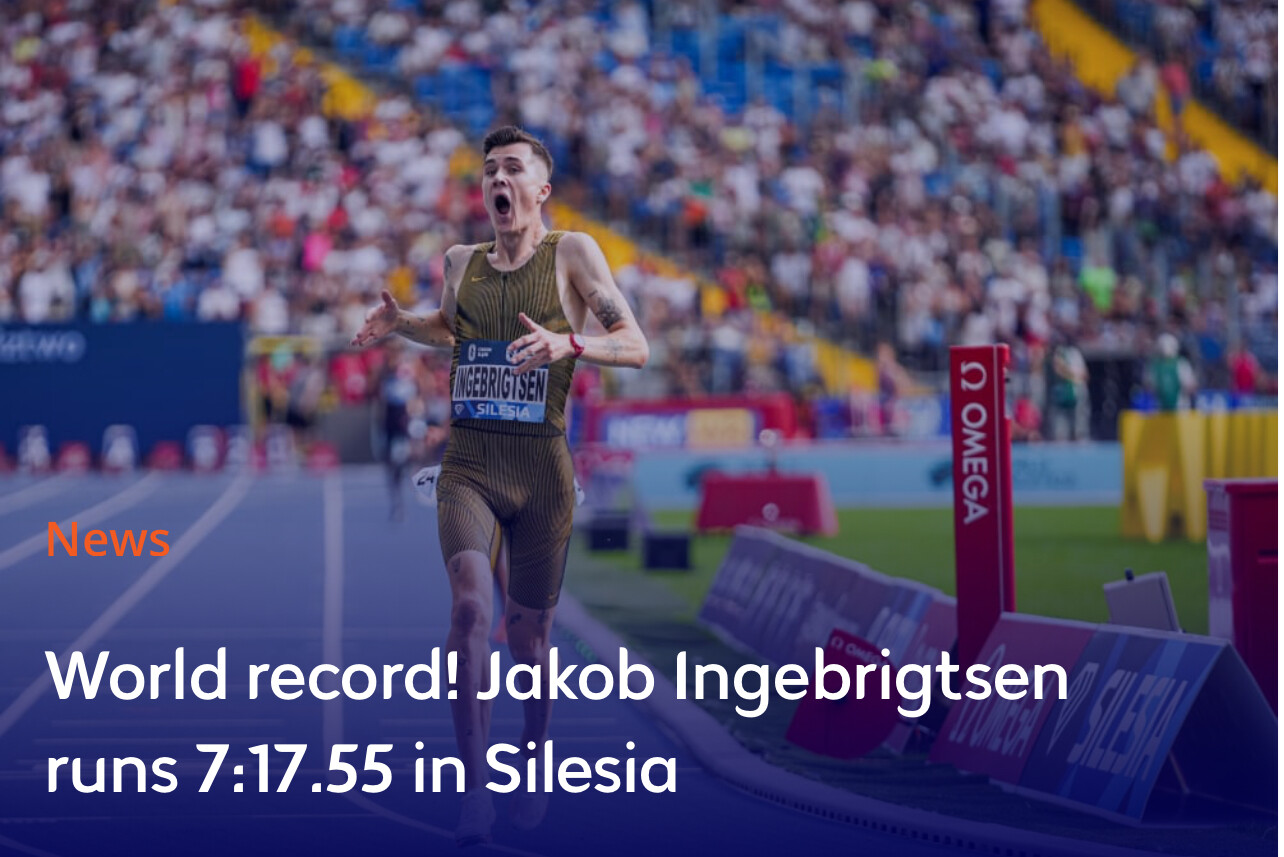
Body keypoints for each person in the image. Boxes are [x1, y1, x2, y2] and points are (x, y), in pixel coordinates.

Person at [350, 126, 649, 846]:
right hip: (470, 466)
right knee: (468, 610)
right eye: (489, 171)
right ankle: (475, 787)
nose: (498, 180)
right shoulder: (460, 262)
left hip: (541, 471)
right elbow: (448, 328)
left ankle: (535, 756)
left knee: (529, 637)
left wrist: (568, 342)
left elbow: (635, 345)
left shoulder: (573, 253)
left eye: (513, 168)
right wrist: (400, 324)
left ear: (540, 189)